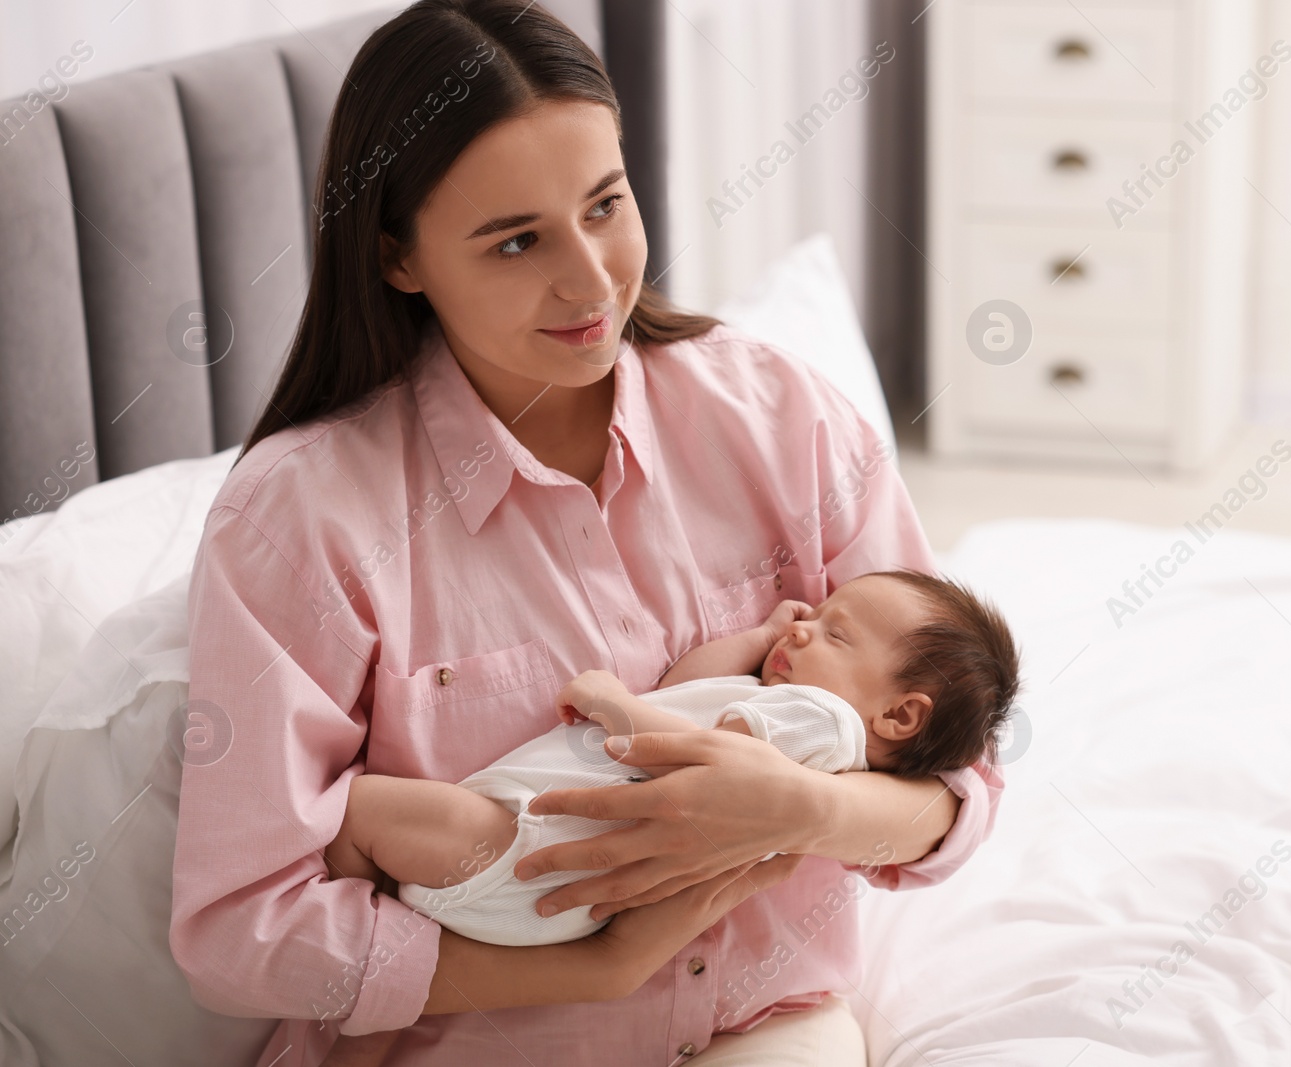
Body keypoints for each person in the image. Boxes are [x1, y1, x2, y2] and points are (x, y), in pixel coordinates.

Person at [168, 2, 1006, 1064]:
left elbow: (960, 783)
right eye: (516, 240)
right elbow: (240, 924)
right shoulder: (302, 519)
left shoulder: (779, 418)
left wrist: (804, 809)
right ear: (398, 257)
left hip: (766, 1023)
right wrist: (585, 967)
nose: (591, 279)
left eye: (605, 205)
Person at [318, 571, 1019, 1064]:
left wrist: (610, 702)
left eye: (835, 633)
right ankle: (368, 1034)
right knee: (389, 889)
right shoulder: (780, 704)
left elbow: (694, 764)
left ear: (900, 713)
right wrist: (763, 634)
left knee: (354, 814)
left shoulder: (827, 723)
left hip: (522, 841)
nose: (805, 627)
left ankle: (361, 1037)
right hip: (557, 887)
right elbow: (690, 690)